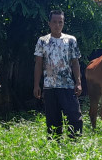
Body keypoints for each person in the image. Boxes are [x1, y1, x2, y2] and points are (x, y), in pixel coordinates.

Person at [33, 10, 83, 139]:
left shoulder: (71, 40)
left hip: (67, 85)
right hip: (50, 86)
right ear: (49, 23)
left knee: (74, 117)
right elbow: (38, 64)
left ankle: (75, 144)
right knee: (53, 121)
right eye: (54, 22)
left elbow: (75, 62)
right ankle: (55, 147)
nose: (57, 25)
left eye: (60, 22)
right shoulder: (42, 41)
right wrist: (36, 85)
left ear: (63, 23)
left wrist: (78, 82)